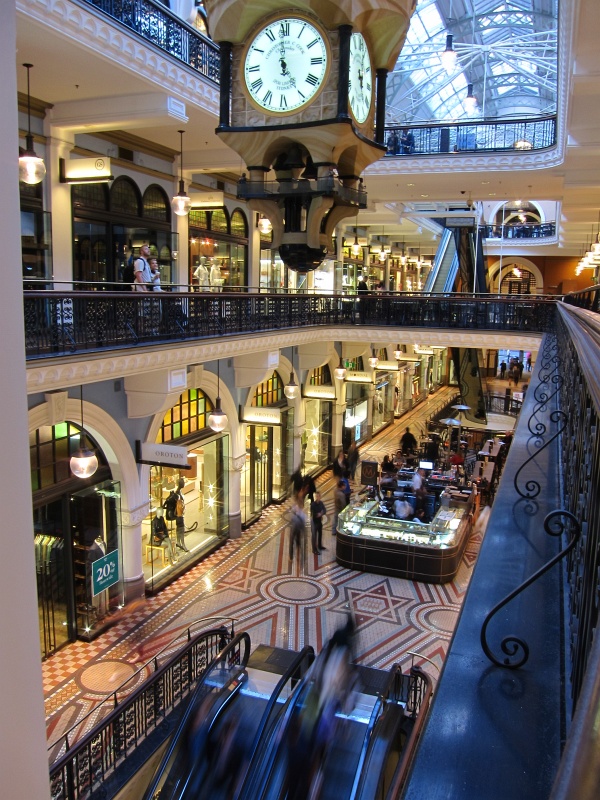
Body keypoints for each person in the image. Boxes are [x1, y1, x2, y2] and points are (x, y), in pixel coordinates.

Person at [164, 478, 189, 553]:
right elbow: (167, 501)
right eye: (183, 483)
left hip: (180, 512)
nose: (184, 484)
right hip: (178, 514)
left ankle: (179, 542)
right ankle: (182, 543)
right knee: (181, 528)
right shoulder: (176, 493)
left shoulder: (179, 492)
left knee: (181, 528)